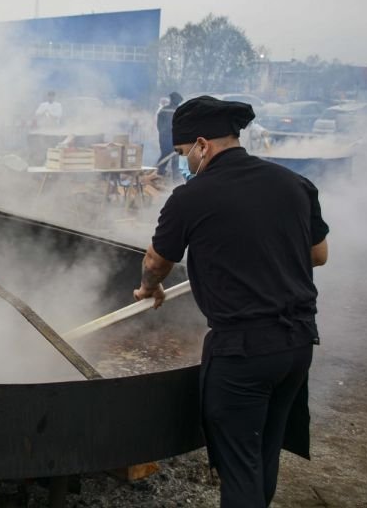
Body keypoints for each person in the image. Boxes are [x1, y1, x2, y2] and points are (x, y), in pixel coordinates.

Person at [132, 96, 329, 508]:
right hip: (296, 345)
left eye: (184, 153)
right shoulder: (293, 183)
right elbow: (318, 254)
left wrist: (150, 288)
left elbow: (156, 260)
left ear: (202, 144)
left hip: (243, 353)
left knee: (238, 466)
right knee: (263, 453)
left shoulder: (191, 197)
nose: (184, 162)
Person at [156, 91, 183, 178]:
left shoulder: (163, 110)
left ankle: (160, 172)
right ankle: (175, 178)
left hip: (164, 138)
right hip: (174, 138)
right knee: (174, 158)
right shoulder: (179, 111)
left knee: (165, 154)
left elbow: (159, 125)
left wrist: (163, 133)